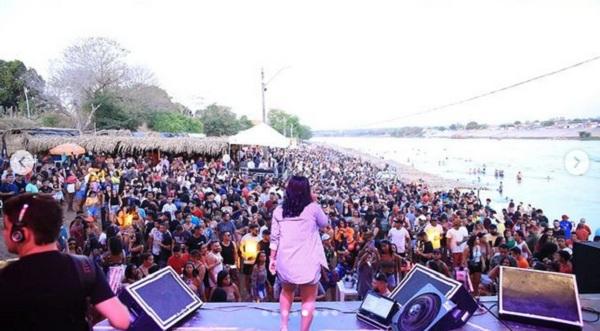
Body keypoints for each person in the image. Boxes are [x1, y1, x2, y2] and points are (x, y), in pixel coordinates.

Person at [0, 193, 130, 330]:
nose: (4, 233)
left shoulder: (5, 278)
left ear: (19, 235)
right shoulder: (85, 267)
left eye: (7, 228)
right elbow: (121, 320)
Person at [269, 176, 329, 331]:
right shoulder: (313, 208)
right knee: (308, 299)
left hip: (286, 260)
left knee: (286, 291)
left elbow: (274, 238)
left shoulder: (279, 210)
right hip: (308, 261)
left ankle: (283, 326)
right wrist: (314, 201)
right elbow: (325, 223)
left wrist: (272, 259)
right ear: (307, 191)